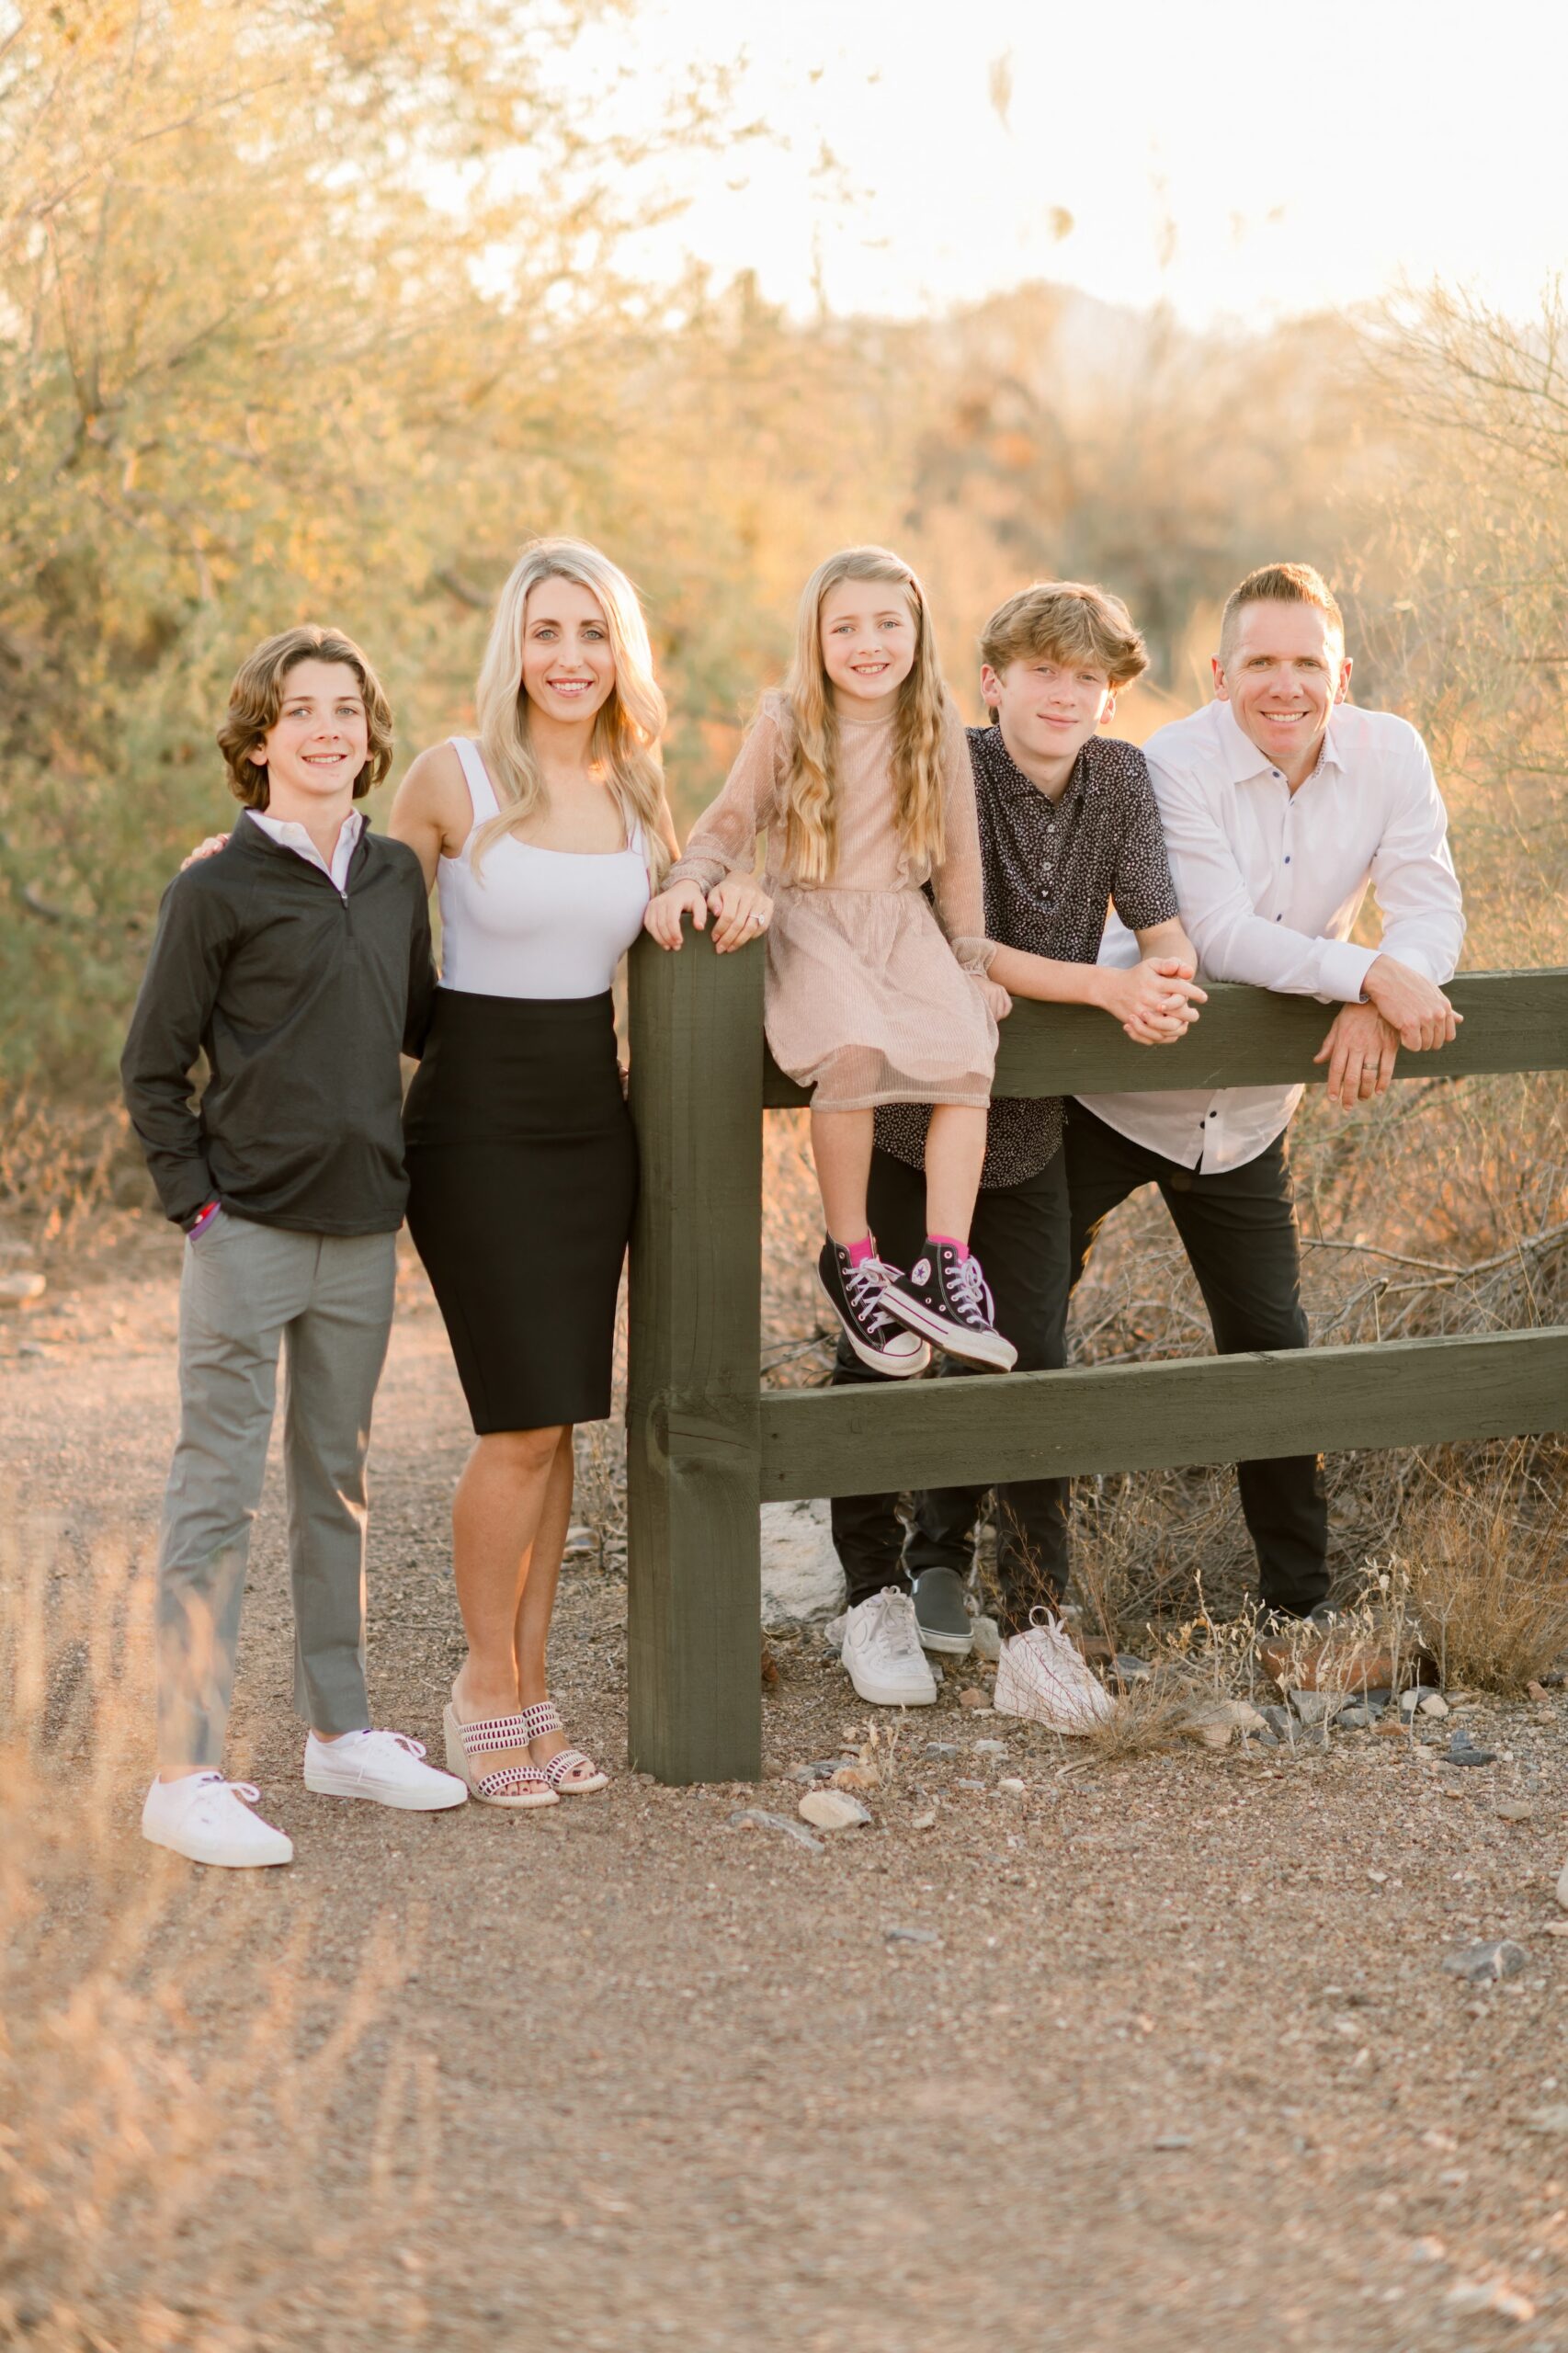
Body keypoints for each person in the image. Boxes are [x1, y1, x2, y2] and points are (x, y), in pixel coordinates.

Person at [826, 581, 1205, 1720]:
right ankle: (871, 1594)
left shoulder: (1122, 778)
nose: (1065, 692)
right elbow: (956, 941)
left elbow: (1159, 921)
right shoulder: (945, 763)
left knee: (1034, 1361)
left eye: (1086, 676)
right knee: (876, 1358)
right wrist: (1100, 985)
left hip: (1027, 1131)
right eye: (1042, 670)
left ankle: (1037, 1630)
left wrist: (1166, 984)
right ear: (993, 682)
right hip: (905, 1117)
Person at [123, 626, 467, 1870]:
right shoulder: (213, 886)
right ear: (260, 739)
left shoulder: (388, 880)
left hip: (362, 1229)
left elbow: (425, 1020)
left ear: (369, 735)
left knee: (338, 1486)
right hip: (246, 1231)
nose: (326, 729)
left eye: (346, 709)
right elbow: (151, 1068)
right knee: (213, 1494)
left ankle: (341, 1734)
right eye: (300, 710)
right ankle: (182, 1770)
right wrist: (199, 1210)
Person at [1071, 561, 1465, 1625]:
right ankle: (950, 1572)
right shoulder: (1172, 759)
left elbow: (1428, 907)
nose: (1282, 686)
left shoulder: (1391, 754)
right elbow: (1216, 934)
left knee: (1271, 1350)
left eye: (1304, 663)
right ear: (1217, 675)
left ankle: (1300, 1612)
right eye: (1258, 663)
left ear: (1342, 672)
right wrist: (1364, 971)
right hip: (1108, 1092)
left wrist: (1385, 990)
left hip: (1243, 1118)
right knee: (1017, 1329)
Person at [392, 540, 679, 1807]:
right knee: (515, 1422)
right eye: (547, 632)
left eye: (593, 634)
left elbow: (681, 930)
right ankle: (481, 1686)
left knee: (559, 1422)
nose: (570, 658)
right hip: (475, 1125)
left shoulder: (641, 791)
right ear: (513, 644)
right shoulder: (449, 777)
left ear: (622, 654)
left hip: (590, 1121)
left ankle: (534, 1682)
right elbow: (370, 952)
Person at [645, 544, 1016, 1381]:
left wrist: (970, 963)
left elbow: (958, 862)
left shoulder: (939, 724)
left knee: (967, 1055)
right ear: (815, 639)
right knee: (847, 1047)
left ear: (918, 631)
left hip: (904, 925)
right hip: (812, 916)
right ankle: (852, 1255)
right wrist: (692, 880)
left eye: (889, 623)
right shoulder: (787, 720)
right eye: (844, 627)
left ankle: (944, 1264)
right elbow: (731, 821)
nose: (869, 643)